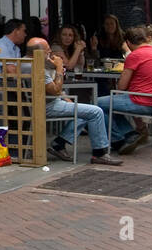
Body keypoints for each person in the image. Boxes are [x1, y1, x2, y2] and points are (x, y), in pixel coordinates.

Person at [28, 37, 122, 166]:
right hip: (47, 105)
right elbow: (55, 90)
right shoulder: (37, 68)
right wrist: (60, 68)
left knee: (85, 112)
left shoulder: (23, 63)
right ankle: (100, 153)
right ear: (40, 53)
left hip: (39, 104)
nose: (50, 53)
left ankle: (59, 144)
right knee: (96, 111)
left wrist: (67, 99)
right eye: (48, 50)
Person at [104, 26, 152, 154]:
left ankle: (119, 139)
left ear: (128, 43)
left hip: (141, 102)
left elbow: (122, 86)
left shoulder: (135, 55)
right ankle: (129, 134)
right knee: (110, 104)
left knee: (98, 105)